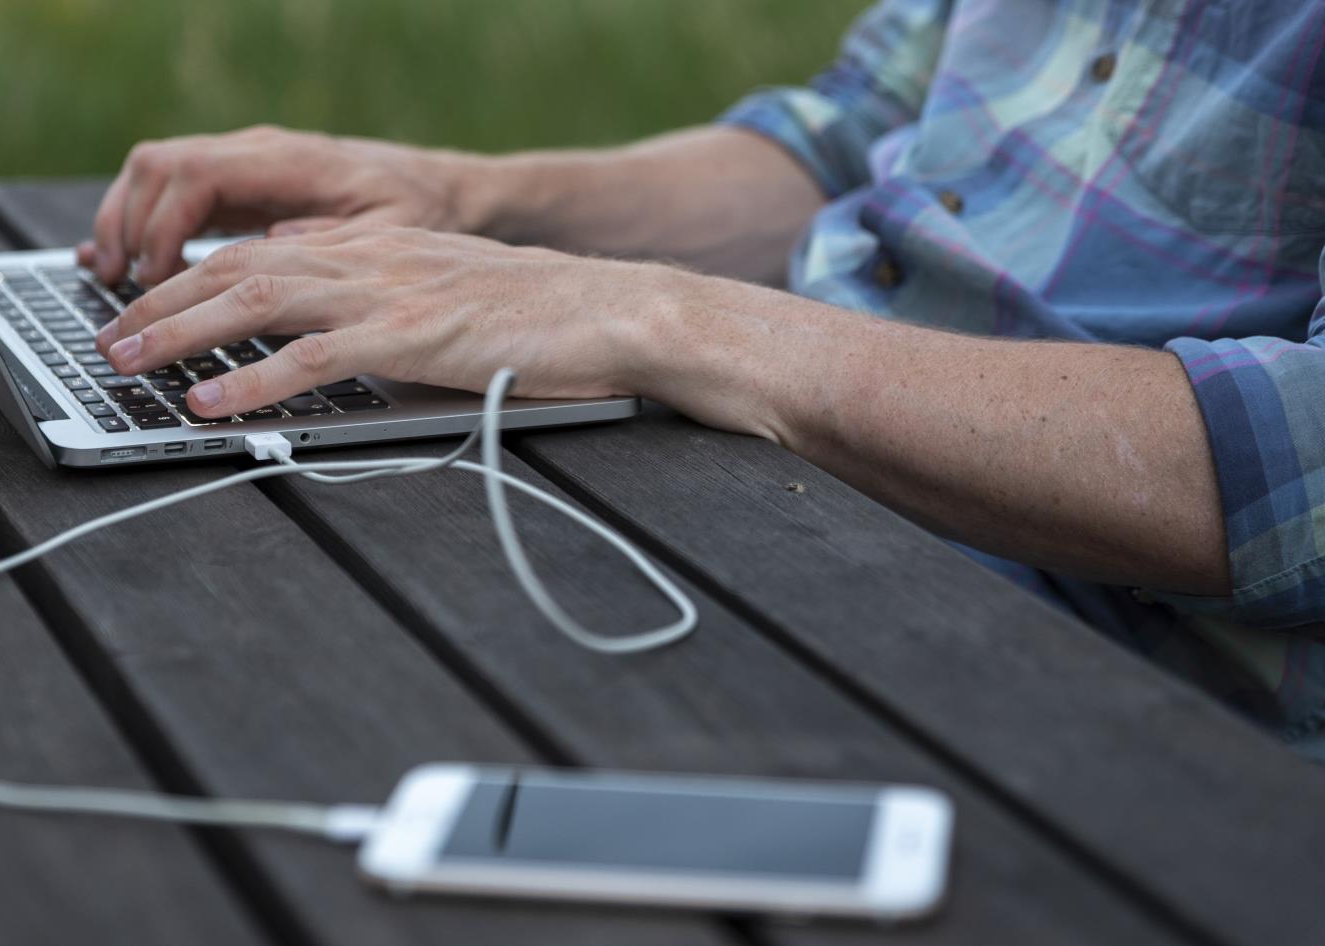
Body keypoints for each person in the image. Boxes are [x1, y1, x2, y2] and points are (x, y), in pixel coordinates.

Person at [85, 0, 1325, 759]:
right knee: (189, 610)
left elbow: (1298, 468)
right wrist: (469, 199)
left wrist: (666, 314)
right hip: (766, 474)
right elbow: (854, 135)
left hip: (1074, 677)